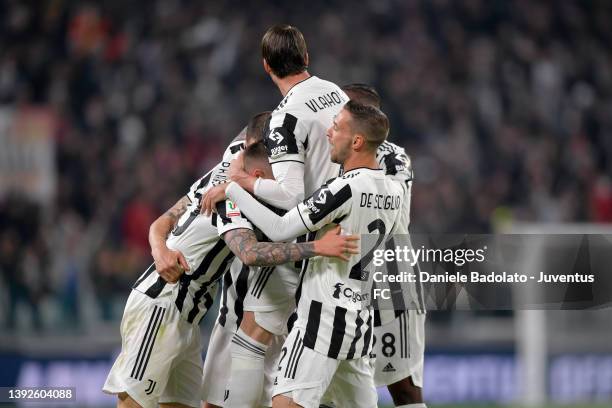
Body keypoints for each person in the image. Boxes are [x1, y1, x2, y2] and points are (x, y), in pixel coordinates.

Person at [102, 114, 358, 408]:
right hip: (163, 303)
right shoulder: (232, 196)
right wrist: (318, 247)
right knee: (133, 402)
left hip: (187, 313)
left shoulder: (218, 174)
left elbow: (164, 220)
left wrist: (160, 249)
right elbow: (249, 253)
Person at [201, 24, 349, 408]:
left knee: (251, 336)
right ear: (307, 58)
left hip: (305, 238)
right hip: (347, 232)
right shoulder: (336, 93)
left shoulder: (284, 117)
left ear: (267, 67)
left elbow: (290, 195)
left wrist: (239, 184)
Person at [223, 100, 403, 408]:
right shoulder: (394, 191)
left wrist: (235, 188)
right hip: (360, 324)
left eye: (337, 127)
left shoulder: (345, 188)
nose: (329, 133)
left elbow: (281, 228)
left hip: (321, 322)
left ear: (357, 141)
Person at [342, 83, 427, 408]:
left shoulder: (393, 158)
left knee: (402, 386)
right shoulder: (333, 152)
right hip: (347, 279)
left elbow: (390, 215)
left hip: (391, 280)